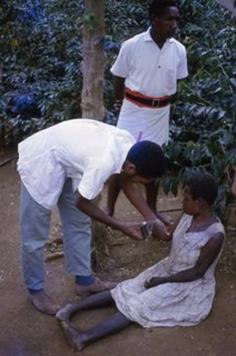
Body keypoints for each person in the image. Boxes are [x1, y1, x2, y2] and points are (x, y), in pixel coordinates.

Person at [56, 172, 225, 352]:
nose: (182, 201)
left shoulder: (215, 235)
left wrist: (161, 281)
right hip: (170, 269)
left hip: (188, 285)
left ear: (201, 203)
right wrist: (148, 228)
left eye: (186, 198)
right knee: (128, 287)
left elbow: (197, 272)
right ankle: (70, 310)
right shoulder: (188, 215)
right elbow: (168, 235)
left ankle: (84, 337)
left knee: (139, 304)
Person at [17, 118, 167, 315]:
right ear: (131, 168)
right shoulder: (103, 161)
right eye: (143, 180)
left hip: (68, 163)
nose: (141, 184)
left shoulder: (130, 148)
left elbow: (126, 182)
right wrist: (121, 226)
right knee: (34, 234)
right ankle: (35, 291)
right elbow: (81, 202)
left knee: (79, 223)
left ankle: (84, 282)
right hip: (42, 160)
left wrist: (152, 219)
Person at [108, 0, 188, 220]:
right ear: (154, 19)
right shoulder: (132, 45)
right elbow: (118, 75)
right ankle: (109, 209)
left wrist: (166, 106)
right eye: (169, 19)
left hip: (160, 113)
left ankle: (152, 210)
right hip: (133, 110)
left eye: (176, 19)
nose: (174, 24)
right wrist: (118, 102)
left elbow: (176, 84)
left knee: (153, 162)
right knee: (121, 160)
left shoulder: (179, 50)